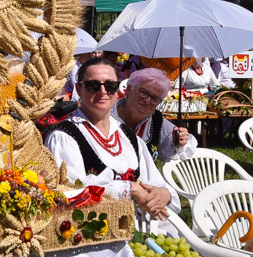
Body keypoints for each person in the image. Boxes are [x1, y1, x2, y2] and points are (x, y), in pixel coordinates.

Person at [44, 58, 180, 221]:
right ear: (79, 89)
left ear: (117, 91)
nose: (103, 92)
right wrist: (130, 189)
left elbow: (156, 183)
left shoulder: (128, 136)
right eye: (93, 85)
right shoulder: (64, 136)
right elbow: (69, 192)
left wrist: (164, 194)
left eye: (110, 86)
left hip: (140, 231)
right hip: (93, 235)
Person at [115, 68, 197, 163]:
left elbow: (180, 146)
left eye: (154, 98)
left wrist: (181, 140)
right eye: (143, 92)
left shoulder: (155, 121)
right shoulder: (106, 116)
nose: (147, 100)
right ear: (128, 90)